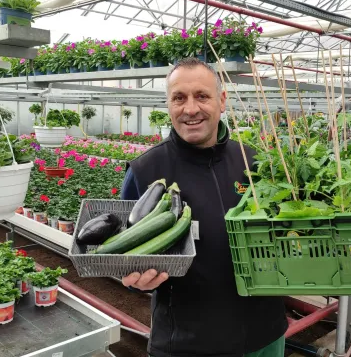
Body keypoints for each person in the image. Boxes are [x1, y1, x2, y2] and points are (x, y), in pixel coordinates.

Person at [120, 57, 287, 357]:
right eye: (179, 98)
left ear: (222, 101)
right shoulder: (145, 171)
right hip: (188, 346)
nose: (191, 109)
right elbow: (126, 251)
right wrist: (134, 281)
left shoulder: (256, 164)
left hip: (265, 337)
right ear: (168, 105)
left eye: (202, 96)